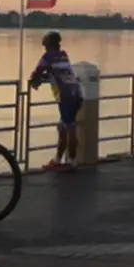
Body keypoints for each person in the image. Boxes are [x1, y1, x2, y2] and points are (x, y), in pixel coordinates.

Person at [27, 31, 83, 171]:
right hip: (77, 93)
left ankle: (72, 161)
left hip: (65, 96)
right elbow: (56, 72)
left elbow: (38, 72)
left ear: (48, 45)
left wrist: (34, 82)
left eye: (44, 45)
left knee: (70, 128)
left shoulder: (48, 56)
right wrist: (45, 77)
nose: (44, 48)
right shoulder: (63, 55)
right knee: (62, 127)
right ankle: (58, 159)